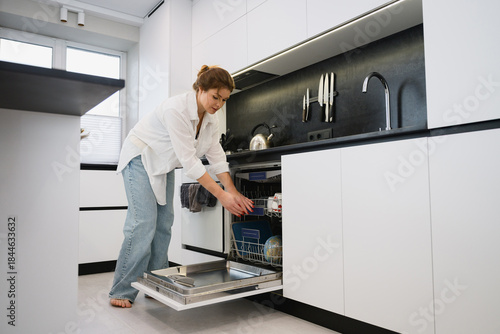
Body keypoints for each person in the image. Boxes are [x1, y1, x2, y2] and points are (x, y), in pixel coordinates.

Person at [109, 65, 254, 308]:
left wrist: (233, 192)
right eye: (215, 97)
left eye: (224, 100)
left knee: (164, 224)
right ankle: (121, 290)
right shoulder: (176, 109)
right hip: (140, 157)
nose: (219, 104)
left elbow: (216, 156)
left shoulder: (210, 118)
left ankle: (156, 284)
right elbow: (190, 162)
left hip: (162, 164)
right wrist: (222, 195)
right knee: (143, 223)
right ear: (200, 89)